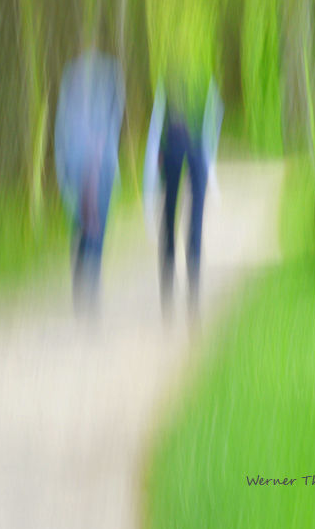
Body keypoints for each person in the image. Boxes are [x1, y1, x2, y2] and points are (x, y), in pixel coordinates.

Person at [143, 67, 223, 325]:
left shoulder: (166, 84)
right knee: (194, 225)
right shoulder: (206, 82)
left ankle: (168, 299)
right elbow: (214, 120)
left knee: (168, 223)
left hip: (173, 151)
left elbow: (155, 131)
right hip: (198, 152)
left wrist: (151, 185)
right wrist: (212, 173)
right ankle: (193, 301)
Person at [54, 51, 125, 317]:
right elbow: (62, 133)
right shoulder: (74, 89)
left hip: (100, 166)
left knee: (94, 226)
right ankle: (84, 283)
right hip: (81, 166)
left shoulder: (110, 83)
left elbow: (114, 127)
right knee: (85, 226)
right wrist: (63, 174)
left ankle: (89, 286)